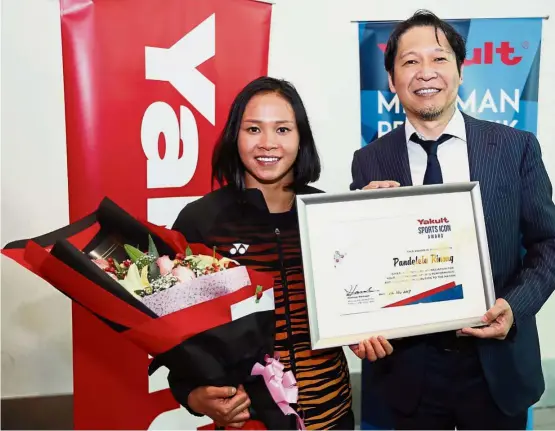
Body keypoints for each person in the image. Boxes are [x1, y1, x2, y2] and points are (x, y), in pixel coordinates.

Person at [349, 9, 555, 430]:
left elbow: (549, 243)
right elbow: (361, 265)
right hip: (408, 374)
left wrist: (513, 308)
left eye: (439, 59)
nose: (426, 72)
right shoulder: (369, 161)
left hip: (497, 365)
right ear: (391, 80)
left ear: (461, 72)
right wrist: (358, 321)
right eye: (409, 61)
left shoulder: (515, 148)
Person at [169, 76, 393, 430]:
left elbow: (358, 303)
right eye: (254, 129)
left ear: (300, 137)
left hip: (333, 415)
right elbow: (179, 339)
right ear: (234, 136)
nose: (268, 143)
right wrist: (194, 396)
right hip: (249, 422)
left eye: (283, 129)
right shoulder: (201, 222)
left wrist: (365, 331)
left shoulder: (328, 213)